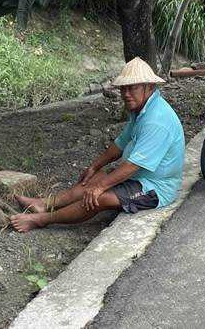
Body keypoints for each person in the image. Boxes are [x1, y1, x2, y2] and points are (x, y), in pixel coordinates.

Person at [10, 57, 185, 232]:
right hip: (138, 177)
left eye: (133, 87)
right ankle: (44, 204)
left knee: (100, 197)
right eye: (123, 88)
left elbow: (133, 166)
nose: (126, 93)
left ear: (150, 87)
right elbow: (120, 143)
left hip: (155, 187)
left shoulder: (156, 121)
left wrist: (100, 187)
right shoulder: (141, 110)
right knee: (95, 179)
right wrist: (94, 166)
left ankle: (41, 219)